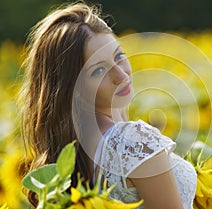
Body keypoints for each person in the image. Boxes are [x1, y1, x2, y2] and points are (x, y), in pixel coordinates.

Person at [20, 2, 197, 209]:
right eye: (99, 70)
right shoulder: (134, 142)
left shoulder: (70, 153)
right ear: (72, 88)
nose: (121, 75)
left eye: (119, 56)